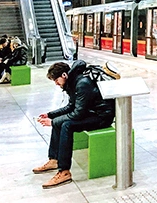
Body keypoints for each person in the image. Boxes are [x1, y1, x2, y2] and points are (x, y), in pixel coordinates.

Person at [34, 60, 115, 189]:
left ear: (64, 75)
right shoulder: (73, 82)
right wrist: (50, 115)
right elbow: (71, 106)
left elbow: (77, 114)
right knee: (60, 122)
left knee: (67, 125)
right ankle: (54, 160)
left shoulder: (82, 83)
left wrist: (53, 122)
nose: (56, 83)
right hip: (91, 112)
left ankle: (64, 171)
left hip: (102, 117)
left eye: (56, 80)